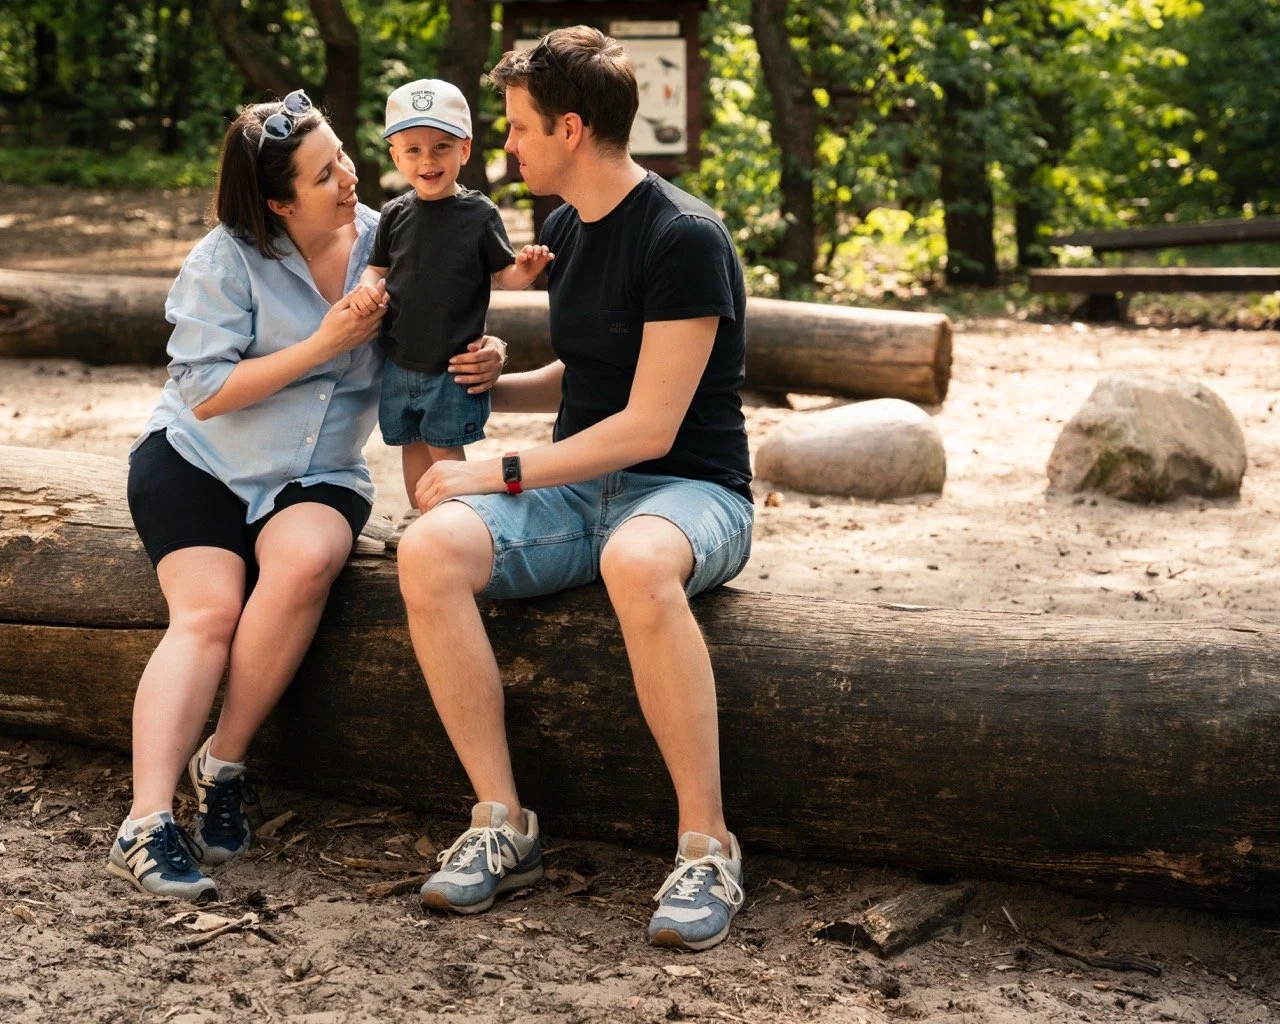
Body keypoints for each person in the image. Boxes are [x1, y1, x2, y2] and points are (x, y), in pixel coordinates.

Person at [397, 27, 755, 952]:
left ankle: (708, 846)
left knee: (636, 560)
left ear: (569, 127)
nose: (504, 148)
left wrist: (498, 467)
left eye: (516, 128)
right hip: (581, 489)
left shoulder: (685, 238)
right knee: (429, 546)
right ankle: (502, 824)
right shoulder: (563, 226)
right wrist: (497, 386)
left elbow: (651, 425)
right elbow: (593, 375)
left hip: (689, 491)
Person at [110, 90, 505, 902]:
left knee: (306, 559)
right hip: (199, 463)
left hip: (317, 474)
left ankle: (222, 764)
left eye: (345, 158)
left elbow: (442, 329)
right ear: (280, 202)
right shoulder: (225, 260)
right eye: (326, 175)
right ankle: (145, 821)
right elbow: (207, 393)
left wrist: (487, 356)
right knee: (209, 612)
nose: (350, 178)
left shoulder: (391, 239)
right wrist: (325, 343)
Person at [354, 79, 554, 507]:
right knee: (411, 443)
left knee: (444, 449)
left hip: (453, 363)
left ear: (464, 150)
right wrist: (366, 290)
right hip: (401, 358)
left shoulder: (479, 213)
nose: (428, 160)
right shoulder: (395, 213)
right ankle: (419, 514)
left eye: (442, 147)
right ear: (396, 156)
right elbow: (376, 268)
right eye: (414, 150)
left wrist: (527, 269)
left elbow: (504, 275)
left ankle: (451, 515)